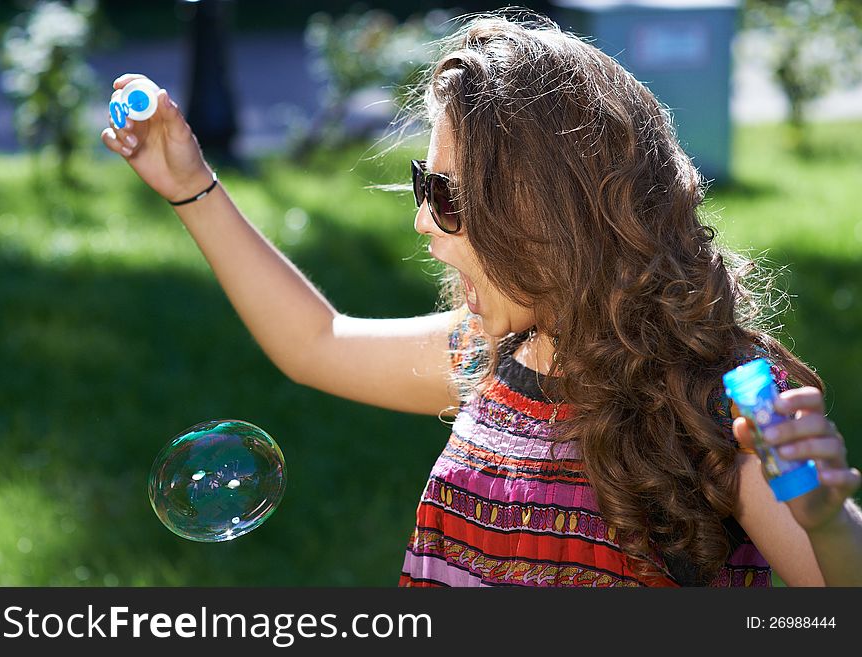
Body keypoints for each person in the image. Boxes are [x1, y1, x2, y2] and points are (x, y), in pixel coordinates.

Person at [101, 11, 862, 587]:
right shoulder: (493, 356)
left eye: (447, 196)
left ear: (554, 216)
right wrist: (191, 186)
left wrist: (826, 521)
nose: (421, 222)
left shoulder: (714, 407)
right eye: (421, 186)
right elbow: (317, 343)